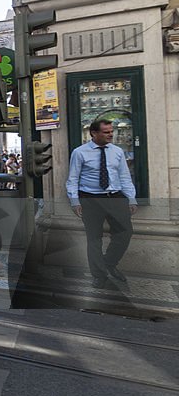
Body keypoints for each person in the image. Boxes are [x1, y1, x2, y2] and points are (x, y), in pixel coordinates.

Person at [65, 119, 137, 288]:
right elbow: (72, 179)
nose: (110, 134)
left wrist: (131, 198)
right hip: (90, 199)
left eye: (111, 131)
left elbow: (124, 177)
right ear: (94, 133)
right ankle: (99, 275)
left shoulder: (117, 152)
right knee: (94, 238)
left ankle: (109, 263)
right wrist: (75, 202)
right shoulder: (80, 152)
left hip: (115, 197)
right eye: (106, 132)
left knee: (125, 232)